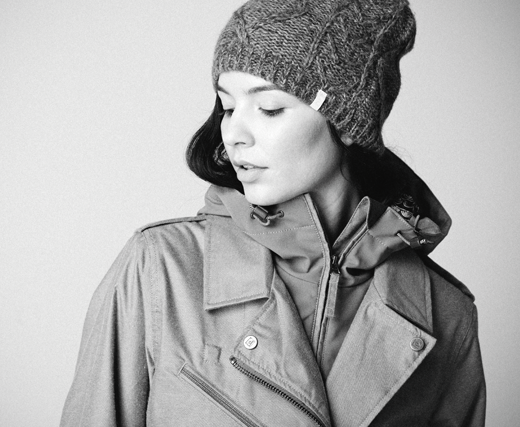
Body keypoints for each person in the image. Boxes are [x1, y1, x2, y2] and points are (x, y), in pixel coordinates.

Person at [60, 0, 486, 425]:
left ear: (346, 122)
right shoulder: (160, 269)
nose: (234, 135)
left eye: (269, 108)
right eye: (228, 108)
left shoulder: (446, 314)